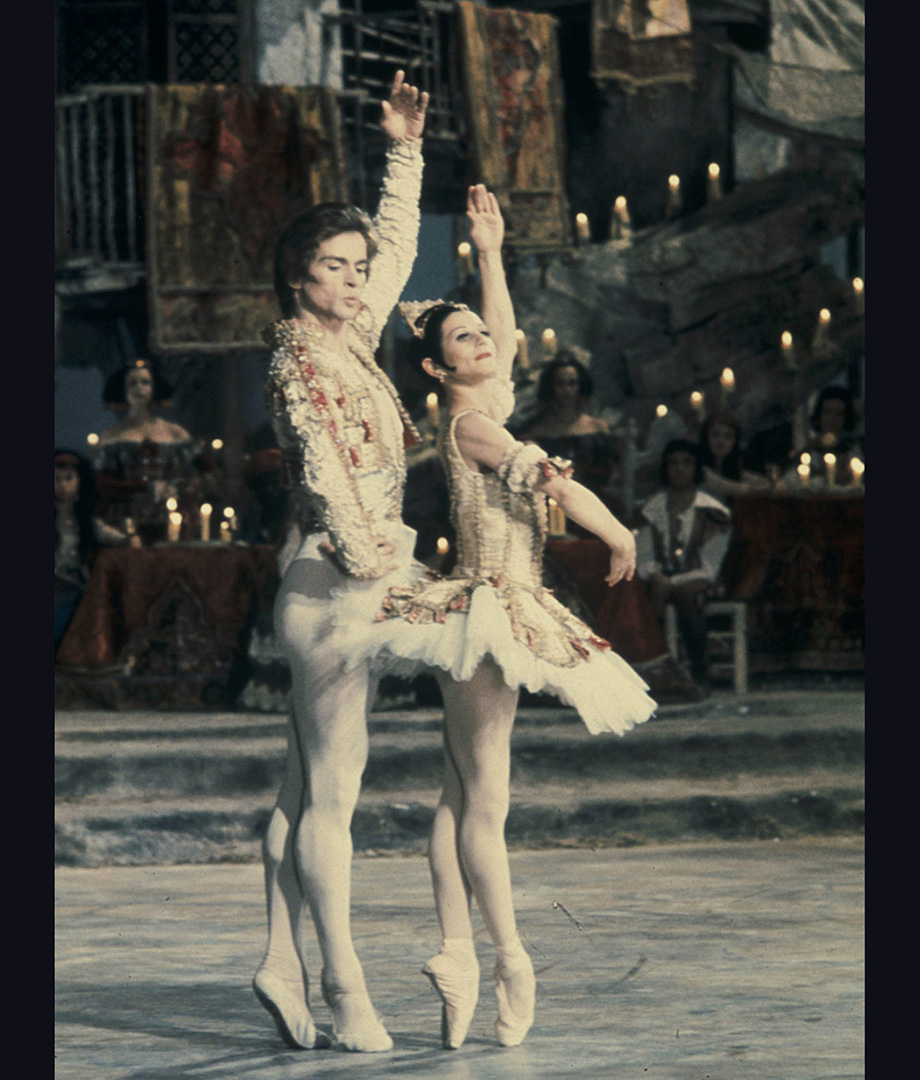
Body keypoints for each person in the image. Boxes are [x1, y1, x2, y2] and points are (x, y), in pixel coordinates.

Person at [329, 185, 656, 1050]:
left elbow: (505, 335)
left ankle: (453, 951)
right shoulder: (474, 426)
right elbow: (553, 482)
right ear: (438, 369)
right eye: (464, 338)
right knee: (487, 801)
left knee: (457, 796)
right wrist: (619, 527)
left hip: (491, 606)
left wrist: (491, 254)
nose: (487, 342)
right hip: (485, 609)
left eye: (481, 333)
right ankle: (511, 954)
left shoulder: (482, 398)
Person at [254, 70, 429, 1054]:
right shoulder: (299, 358)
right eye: (335, 265)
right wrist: (380, 574)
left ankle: (280, 965)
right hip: (332, 582)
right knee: (332, 799)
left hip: (336, 579)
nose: (355, 278)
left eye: (354, 265)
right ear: (297, 277)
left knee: (301, 789)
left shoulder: (348, 336)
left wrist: (402, 150)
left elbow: (398, 251)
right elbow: (324, 473)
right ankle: (344, 985)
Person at [635, 439, 732, 689]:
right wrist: (655, 576)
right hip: (658, 578)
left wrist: (672, 582)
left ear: (696, 468)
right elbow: (643, 556)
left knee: (689, 594)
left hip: (699, 578)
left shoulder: (713, 512)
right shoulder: (653, 509)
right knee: (635, 592)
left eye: (686, 463)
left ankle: (699, 671)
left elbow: (710, 566)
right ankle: (653, 671)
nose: (679, 469)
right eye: (673, 463)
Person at [55, 448, 138, 650]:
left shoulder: (85, 522)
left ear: (79, 482)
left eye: (68, 479)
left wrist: (132, 538)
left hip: (75, 587)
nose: (63, 485)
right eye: (56, 479)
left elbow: (117, 538)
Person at [698, 413, 768, 502]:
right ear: (706, 438)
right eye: (715, 434)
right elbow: (727, 486)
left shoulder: (734, 470)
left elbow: (756, 480)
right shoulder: (699, 469)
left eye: (728, 436)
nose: (721, 440)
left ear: (734, 442)